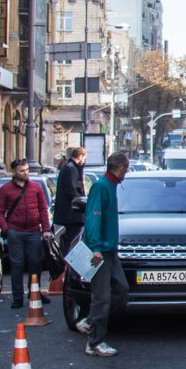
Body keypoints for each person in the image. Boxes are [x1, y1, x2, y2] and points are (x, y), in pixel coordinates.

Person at [76, 151, 130, 357]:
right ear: (121, 168)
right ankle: (94, 342)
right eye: (127, 168)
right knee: (102, 297)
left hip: (109, 250)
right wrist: (96, 247)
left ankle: (90, 321)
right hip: (99, 252)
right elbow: (93, 219)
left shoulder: (110, 185)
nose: (127, 172)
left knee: (121, 290)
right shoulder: (101, 187)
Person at [0, 158, 53, 309]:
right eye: (22, 171)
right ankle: (17, 297)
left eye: (27, 170)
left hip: (34, 231)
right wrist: (6, 229)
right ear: (14, 171)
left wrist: (45, 229)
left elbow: (43, 210)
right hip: (16, 231)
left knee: (35, 263)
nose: (26, 173)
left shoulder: (35, 187)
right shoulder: (6, 189)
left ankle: (35, 293)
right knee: (17, 264)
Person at [54, 146, 87, 253]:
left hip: (71, 214)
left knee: (71, 241)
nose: (84, 161)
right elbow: (72, 191)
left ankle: (68, 265)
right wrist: (83, 203)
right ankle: (68, 266)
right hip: (72, 214)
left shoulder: (70, 167)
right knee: (73, 242)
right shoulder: (71, 168)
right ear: (81, 156)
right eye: (84, 158)